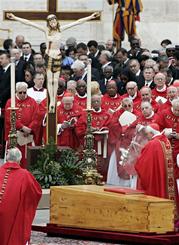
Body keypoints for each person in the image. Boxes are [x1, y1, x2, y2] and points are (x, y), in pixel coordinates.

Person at [7, 12, 100, 113]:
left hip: (57, 56)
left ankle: (53, 100)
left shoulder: (61, 30)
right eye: (50, 21)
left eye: (54, 20)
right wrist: (14, 17)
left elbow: (77, 22)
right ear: (48, 23)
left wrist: (90, 17)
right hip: (49, 56)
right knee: (50, 80)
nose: (53, 22)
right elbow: (29, 23)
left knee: (55, 81)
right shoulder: (46, 30)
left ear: (56, 21)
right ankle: (51, 99)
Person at [0, 147, 42, 245]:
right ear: (19, 160)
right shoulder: (25, 175)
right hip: (12, 214)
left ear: (7, 158)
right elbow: (36, 192)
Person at [135, 124, 178, 216]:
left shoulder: (152, 144)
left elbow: (143, 164)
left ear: (151, 133)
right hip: (165, 177)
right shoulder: (165, 140)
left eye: (147, 134)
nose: (147, 137)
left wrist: (137, 163)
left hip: (156, 179)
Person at [5, 82, 38, 168]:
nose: (23, 94)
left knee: (27, 159)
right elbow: (9, 118)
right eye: (20, 92)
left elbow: (36, 117)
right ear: (16, 91)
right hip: (15, 134)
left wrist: (29, 128)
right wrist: (22, 127)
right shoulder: (10, 102)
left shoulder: (32, 102)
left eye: (25, 92)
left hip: (28, 135)